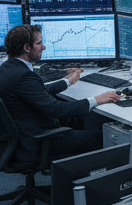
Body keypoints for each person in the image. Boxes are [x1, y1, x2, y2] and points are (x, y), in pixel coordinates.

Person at [0, 25, 120, 161]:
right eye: (39, 43)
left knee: (76, 122)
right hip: (36, 142)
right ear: (27, 48)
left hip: (20, 139)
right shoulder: (23, 75)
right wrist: (97, 99)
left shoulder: (7, 69)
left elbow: (37, 92)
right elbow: (56, 109)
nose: (43, 47)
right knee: (101, 138)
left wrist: (67, 81)